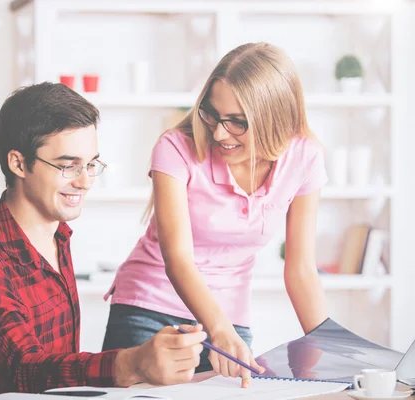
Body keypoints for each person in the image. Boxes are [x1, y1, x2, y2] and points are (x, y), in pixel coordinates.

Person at [0, 82, 207, 400]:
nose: (85, 181)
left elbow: (56, 374)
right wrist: (132, 363)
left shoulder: (57, 236)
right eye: (68, 165)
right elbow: (18, 370)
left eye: (90, 164)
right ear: (18, 163)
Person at [102, 42, 329, 388]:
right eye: (212, 115)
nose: (219, 133)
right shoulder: (175, 147)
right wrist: (218, 330)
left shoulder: (305, 157)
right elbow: (177, 257)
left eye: (237, 122)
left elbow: (300, 271)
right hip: (149, 309)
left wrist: (331, 352)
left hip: (230, 319)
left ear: (275, 120)